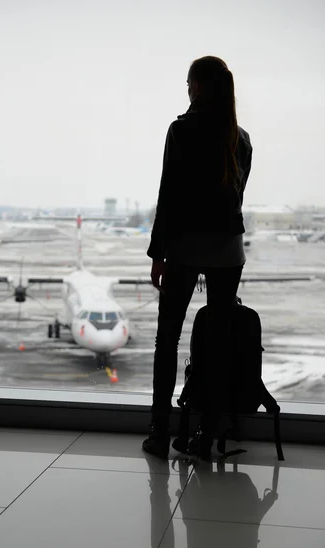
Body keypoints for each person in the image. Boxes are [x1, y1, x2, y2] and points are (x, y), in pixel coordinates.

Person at [143, 56, 253, 460]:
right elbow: (236, 199)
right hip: (229, 250)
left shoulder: (182, 130)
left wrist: (159, 254)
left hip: (186, 246)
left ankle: (159, 431)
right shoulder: (240, 138)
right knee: (218, 344)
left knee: (167, 339)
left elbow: (168, 196)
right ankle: (207, 434)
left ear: (199, 87)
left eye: (189, 82)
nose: (186, 88)